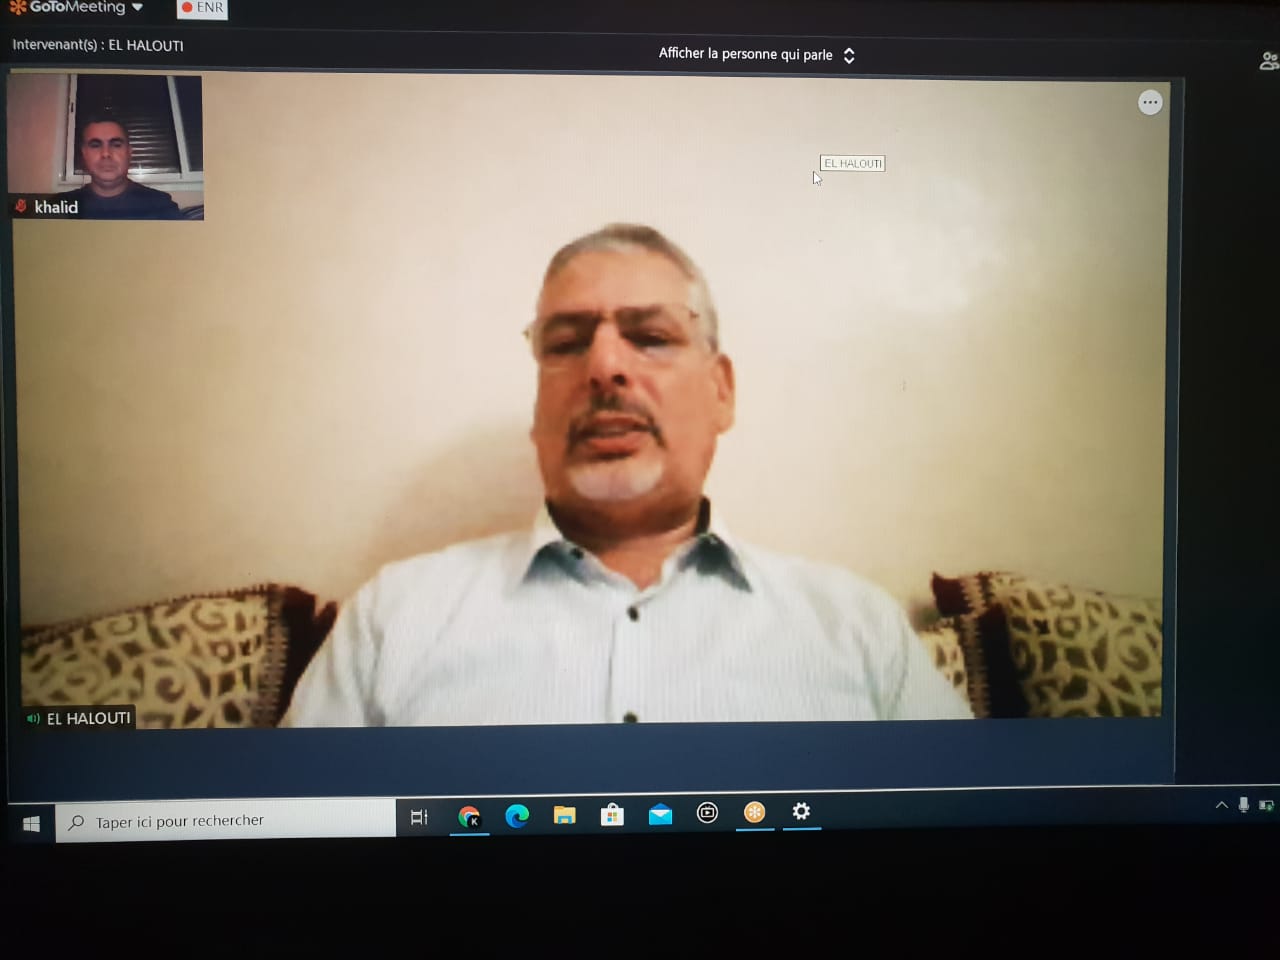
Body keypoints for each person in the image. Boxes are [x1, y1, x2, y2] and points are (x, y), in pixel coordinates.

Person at [282, 224, 972, 726]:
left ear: (721, 391)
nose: (604, 366)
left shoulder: (859, 631)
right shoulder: (393, 621)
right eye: (566, 343)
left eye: (650, 336)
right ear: (539, 408)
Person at [61, 114, 182, 220]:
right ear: (84, 154)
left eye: (116, 145)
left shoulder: (160, 206)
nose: (106, 154)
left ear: (129, 152)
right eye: (95, 145)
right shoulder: (60, 207)